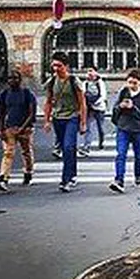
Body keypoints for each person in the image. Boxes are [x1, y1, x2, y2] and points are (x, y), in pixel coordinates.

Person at [44, 52, 87, 193]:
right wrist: (47, 120)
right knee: (66, 149)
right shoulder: (51, 82)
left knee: (69, 147)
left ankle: (66, 180)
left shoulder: (74, 81)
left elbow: (82, 103)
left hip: (72, 117)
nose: (56, 68)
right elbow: (48, 102)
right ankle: (73, 173)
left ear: (66, 66)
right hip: (58, 118)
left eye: (59, 65)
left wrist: (83, 123)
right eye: (54, 65)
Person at [0, 70, 36, 193]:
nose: (13, 81)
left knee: (26, 152)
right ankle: (3, 178)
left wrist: (22, 128)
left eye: (15, 78)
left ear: (20, 79)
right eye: (10, 78)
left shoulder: (27, 94)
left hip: (25, 128)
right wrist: (1, 129)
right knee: (8, 153)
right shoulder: (5, 94)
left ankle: (28, 172)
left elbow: (32, 113)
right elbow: (1, 113)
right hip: (10, 128)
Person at [109, 69, 140, 193]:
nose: (131, 85)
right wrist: (120, 106)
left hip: (137, 129)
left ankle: (138, 176)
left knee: (139, 154)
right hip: (123, 128)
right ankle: (119, 180)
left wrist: (133, 108)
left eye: (134, 83)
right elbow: (114, 109)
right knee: (121, 154)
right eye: (129, 82)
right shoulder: (123, 92)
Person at [80, 67, 108, 155]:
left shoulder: (100, 83)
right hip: (89, 108)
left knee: (100, 127)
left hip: (99, 108)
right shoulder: (85, 83)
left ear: (96, 72)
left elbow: (103, 96)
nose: (89, 73)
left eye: (91, 71)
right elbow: (83, 94)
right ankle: (86, 146)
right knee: (87, 127)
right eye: (88, 71)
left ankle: (101, 141)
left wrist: (95, 102)